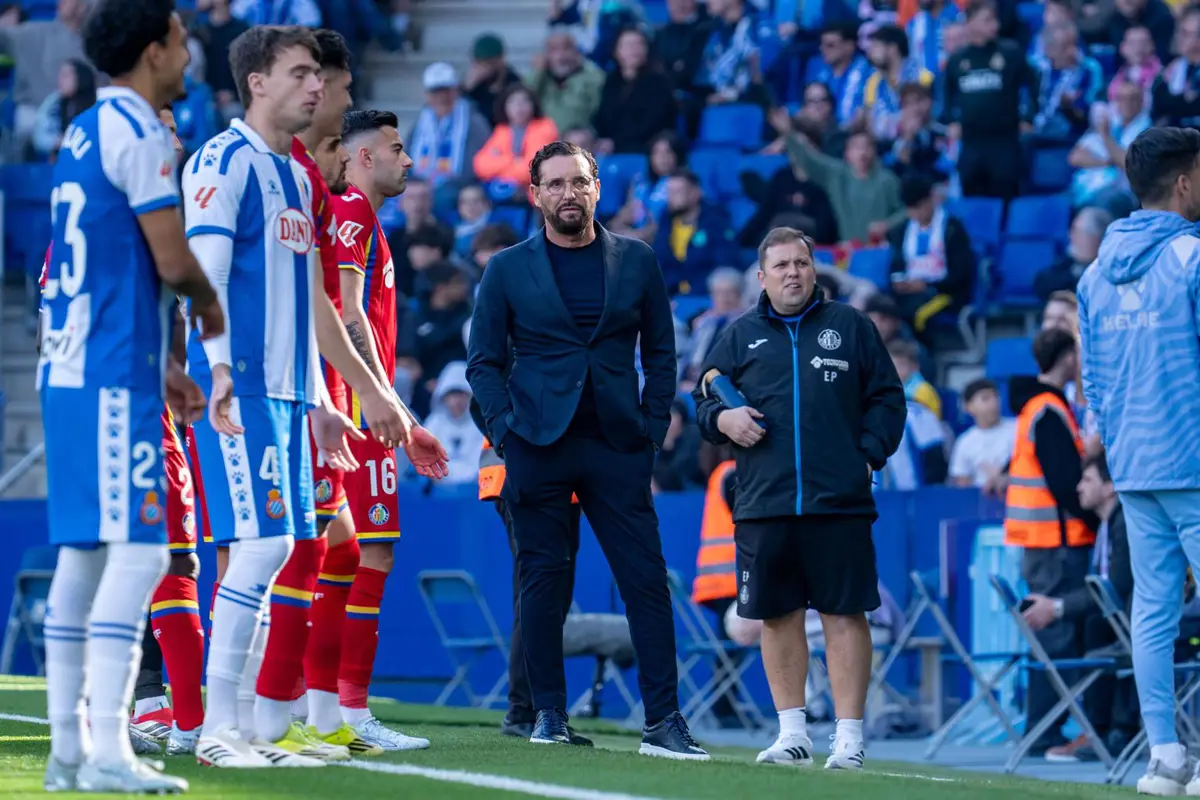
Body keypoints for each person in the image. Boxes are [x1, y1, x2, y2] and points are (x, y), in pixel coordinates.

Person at [183, 24, 414, 768]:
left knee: (279, 546)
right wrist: (217, 369)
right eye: (302, 74)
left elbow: (308, 301)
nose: (317, 88)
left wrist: (321, 401)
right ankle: (218, 728)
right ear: (258, 82)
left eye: (320, 75)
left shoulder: (296, 177)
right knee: (259, 549)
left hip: (288, 394)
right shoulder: (224, 160)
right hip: (238, 388)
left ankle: (250, 726)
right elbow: (204, 278)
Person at [466, 140, 707, 759]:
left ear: (597, 189)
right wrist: (505, 433)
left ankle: (664, 722)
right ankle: (548, 714)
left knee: (646, 582)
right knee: (543, 583)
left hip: (618, 444)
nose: (568, 193)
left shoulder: (637, 259)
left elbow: (661, 351)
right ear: (536, 195)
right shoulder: (507, 268)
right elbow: (484, 363)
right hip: (536, 445)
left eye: (578, 182)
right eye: (555, 184)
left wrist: (653, 429)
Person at [39, 0, 223, 792]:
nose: (189, 56)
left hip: (76, 373)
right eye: (181, 42)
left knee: (84, 557)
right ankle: (110, 750)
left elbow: (111, 265)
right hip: (112, 378)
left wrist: (163, 369)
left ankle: (67, 752)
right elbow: (171, 259)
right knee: (146, 553)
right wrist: (214, 316)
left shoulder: (81, 128)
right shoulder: (143, 129)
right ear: (153, 51)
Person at [692, 226, 907, 770]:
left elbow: (887, 399)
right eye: (782, 265)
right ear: (762, 278)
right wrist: (725, 417)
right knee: (779, 617)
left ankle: (849, 739)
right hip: (765, 502)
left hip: (839, 501)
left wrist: (867, 455)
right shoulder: (739, 337)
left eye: (802, 264)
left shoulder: (851, 327)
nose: (793, 273)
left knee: (844, 614)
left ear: (815, 271)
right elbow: (702, 405)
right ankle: (793, 735)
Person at [250, 28, 378, 762]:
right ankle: (254, 715)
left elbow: (320, 305)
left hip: (311, 389)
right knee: (288, 551)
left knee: (333, 548)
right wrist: (370, 398)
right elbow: (325, 308)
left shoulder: (307, 182)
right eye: (341, 87)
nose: (348, 101)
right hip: (278, 388)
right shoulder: (279, 173)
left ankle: (306, 713)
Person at [1076, 125, 1200, 796]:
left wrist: (1124, 443)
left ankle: (1165, 759)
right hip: (1196, 457)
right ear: (1184, 183)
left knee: (1152, 611)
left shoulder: (1094, 275)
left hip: (1138, 466)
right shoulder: (1192, 258)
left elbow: (1091, 385)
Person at [323, 108, 447, 751]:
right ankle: (343, 712)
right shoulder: (349, 213)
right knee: (357, 554)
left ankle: (335, 710)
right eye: (397, 149)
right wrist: (388, 405)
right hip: (349, 403)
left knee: (363, 553)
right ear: (363, 157)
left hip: (362, 400)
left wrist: (402, 412)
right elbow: (347, 316)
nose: (408, 159)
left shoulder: (365, 220)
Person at [125, 106, 207, 759]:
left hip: (144, 403)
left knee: (147, 558)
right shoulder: (135, 212)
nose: (177, 140)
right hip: (136, 406)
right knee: (172, 556)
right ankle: (184, 718)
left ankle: (149, 701)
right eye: (166, 128)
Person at [1004, 327, 1100, 757]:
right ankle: (1041, 731)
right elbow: (1065, 483)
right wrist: (1096, 513)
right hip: (1057, 544)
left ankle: (1041, 728)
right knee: (1057, 638)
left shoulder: (1037, 408)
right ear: (1066, 358)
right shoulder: (1048, 410)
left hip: (1042, 542)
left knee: (1052, 637)